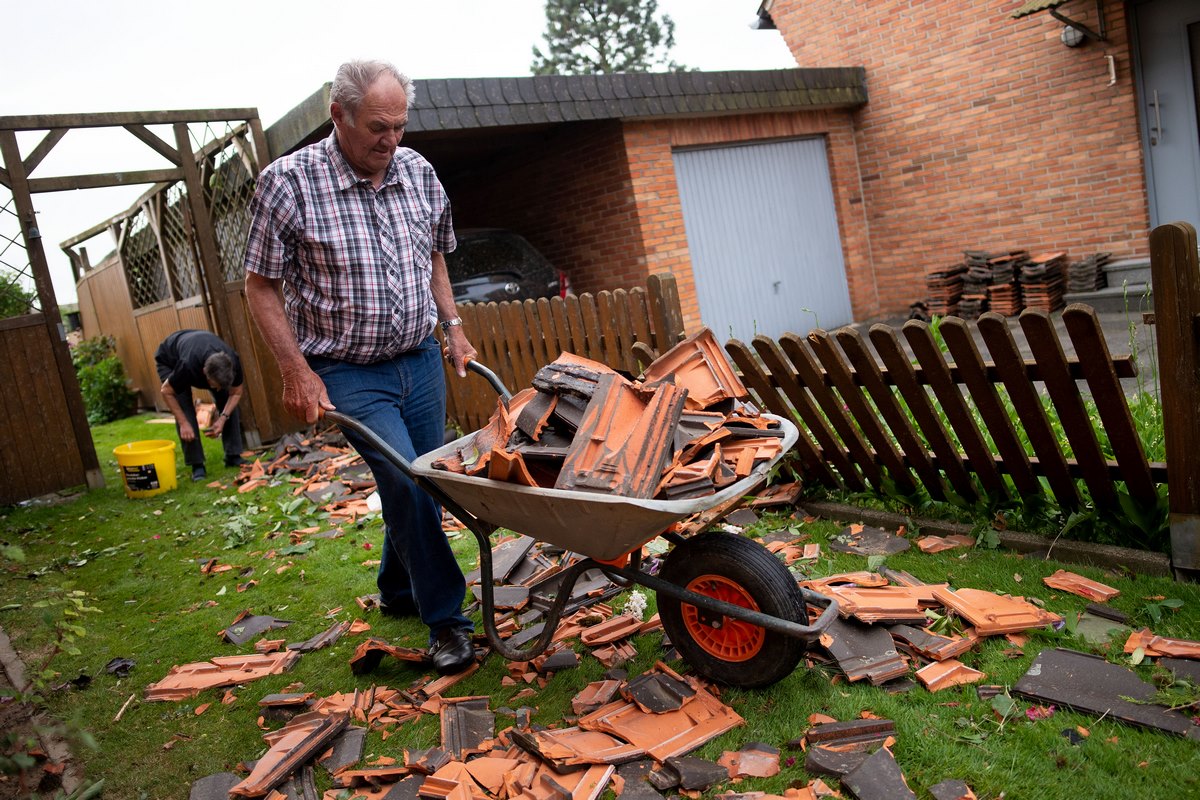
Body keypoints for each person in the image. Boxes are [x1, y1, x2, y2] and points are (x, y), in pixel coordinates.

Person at [243, 59, 478, 676]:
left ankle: (398, 589)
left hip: (419, 358)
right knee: (405, 481)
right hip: (347, 370)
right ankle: (447, 621)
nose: (391, 140)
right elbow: (260, 286)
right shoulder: (287, 184)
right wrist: (296, 371)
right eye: (378, 126)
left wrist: (453, 329)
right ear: (338, 115)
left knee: (422, 481)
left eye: (400, 125)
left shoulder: (418, 172)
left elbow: (434, 255)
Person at [154, 329, 246, 482]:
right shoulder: (187, 366)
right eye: (214, 385)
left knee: (226, 400)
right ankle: (197, 465)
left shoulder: (232, 362)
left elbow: (236, 393)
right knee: (184, 408)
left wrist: (222, 419)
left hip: (198, 347)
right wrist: (183, 423)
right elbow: (166, 391)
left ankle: (233, 456)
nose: (215, 389)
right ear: (204, 373)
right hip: (170, 359)